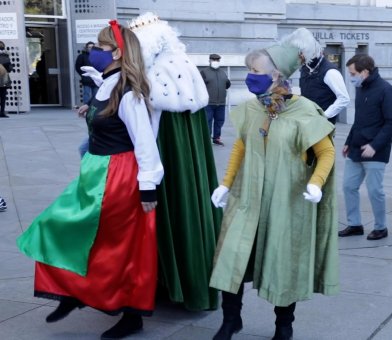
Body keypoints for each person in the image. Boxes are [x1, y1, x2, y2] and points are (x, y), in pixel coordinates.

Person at [16, 20, 163, 339]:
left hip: (117, 175)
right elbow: (109, 113)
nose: (93, 51)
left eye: (99, 46)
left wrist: (147, 186)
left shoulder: (128, 91)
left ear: (115, 54)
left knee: (117, 246)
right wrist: (90, 109)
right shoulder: (109, 83)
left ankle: (130, 314)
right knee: (60, 226)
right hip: (96, 171)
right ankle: (72, 291)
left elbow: (145, 141)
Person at [208, 43, 338, 340]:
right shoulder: (252, 109)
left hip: (286, 200)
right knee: (232, 258)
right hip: (247, 197)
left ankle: (284, 326)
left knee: (283, 262)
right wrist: (225, 184)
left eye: (255, 71)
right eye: (249, 70)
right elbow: (241, 146)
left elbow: (326, 152)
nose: (250, 76)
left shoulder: (304, 111)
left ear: (276, 74)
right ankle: (230, 320)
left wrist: (315, 183)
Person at [128, 12, 222, 311]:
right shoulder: (184, 66)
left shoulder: (156, 74)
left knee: (175, 207)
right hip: (177, 149)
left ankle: (174, 284)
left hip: (165, 149)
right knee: (187, 207)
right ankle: (178, 282)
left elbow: (151, 122)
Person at [338, 54, 392, 241]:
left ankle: (381, 228)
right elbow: (359, 120)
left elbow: (391, 122)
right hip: (356, 148)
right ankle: (355, 224)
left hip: (376, 150)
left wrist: (374, 145)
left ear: (365, 72)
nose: (351, 76)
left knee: (374, 191)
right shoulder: (361, 88)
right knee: (348, 186)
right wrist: (348, 141)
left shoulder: (385, 89)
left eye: (353, 73)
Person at [279, 27, 350, 124]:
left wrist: (324, 115)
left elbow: (344, 98)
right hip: (306, 121)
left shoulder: (330, 72)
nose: (298, 57)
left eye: (301, 54)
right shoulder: (305, 68)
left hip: (322, 124)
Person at [200, 53, 231, 145]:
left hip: (221, 102)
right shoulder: (204, 72)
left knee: (220, 120)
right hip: (209, 103)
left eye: (217, 60)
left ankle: (216, 138)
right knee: (207, 121)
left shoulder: (222, 72)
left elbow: (227, 84)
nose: (215, 62)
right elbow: (199, 86)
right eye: (213, 60)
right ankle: (207, 139)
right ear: (209, 60)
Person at [0, 40, 13, 118]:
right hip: (4, 77)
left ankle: (2, 112)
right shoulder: (6, 56)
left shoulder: (6, 56)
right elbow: (10, 69)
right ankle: (2, 112)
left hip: (3, 77)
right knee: (3, 96)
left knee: (3, 96)